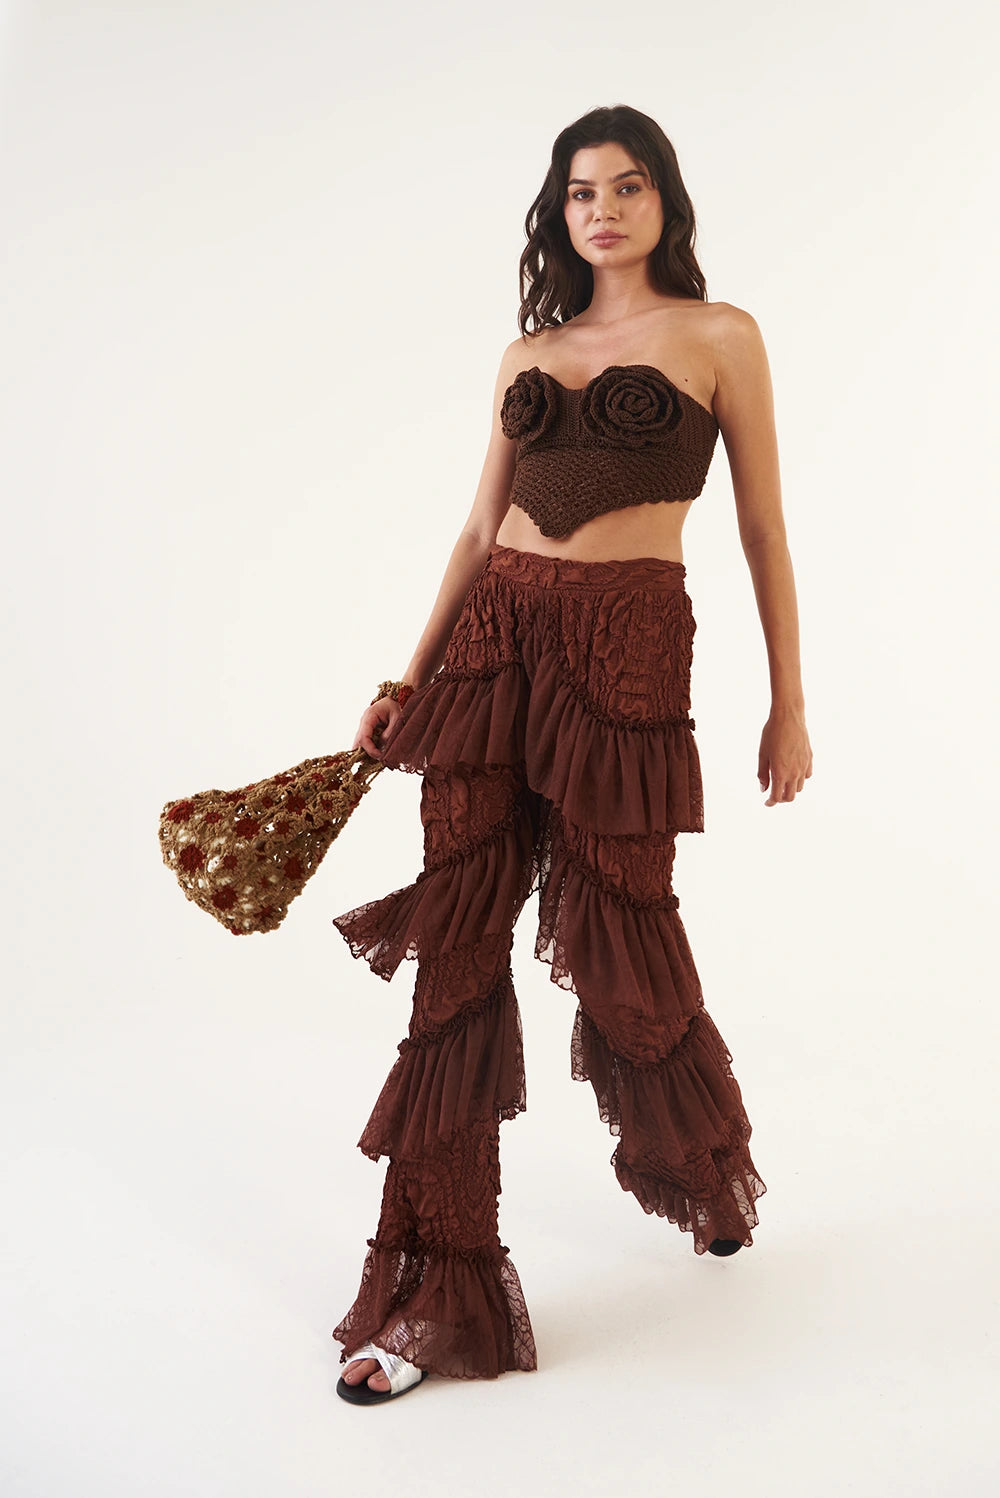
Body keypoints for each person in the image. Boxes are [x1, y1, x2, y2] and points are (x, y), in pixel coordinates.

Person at [331, 103, 813, 1405]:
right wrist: (409, 677)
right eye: (582, 190)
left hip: (629, 643)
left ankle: (703, 1167)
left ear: (666, 202)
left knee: (619, 937)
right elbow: (477, 525)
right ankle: (434, 1293)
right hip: (495, 645)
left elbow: (763, 529)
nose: (602, 208)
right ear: (559, 210)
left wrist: (789, 703)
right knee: (456, 954)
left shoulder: (721, 337)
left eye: (628, 186)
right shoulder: (528, 351)